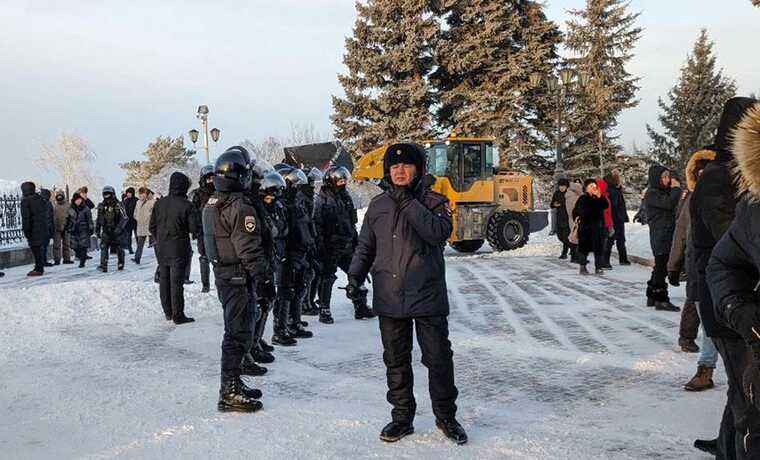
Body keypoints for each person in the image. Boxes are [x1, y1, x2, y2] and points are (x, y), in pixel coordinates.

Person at [350, 142, 467, 445]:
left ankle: (446, 417)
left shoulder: (435, 201)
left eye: (406, 166)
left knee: (438, 359)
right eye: (394, 166)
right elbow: (365, 246)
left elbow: (437, 233)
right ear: (387, 171)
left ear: (418, 169)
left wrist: (405, 200)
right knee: (396, 360)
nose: (399, 170)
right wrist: (355, 277)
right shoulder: (377, 206)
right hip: (389, 296)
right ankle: (402, 418)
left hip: (428, 296)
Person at [692, 97, 757, 458]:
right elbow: (730, 241)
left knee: (739, 388)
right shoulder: (719, 178)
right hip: (725, 301)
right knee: (747, 394)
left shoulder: (731, 176)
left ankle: (725, 446)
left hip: (729, 298)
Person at [203, 147, 273, 413]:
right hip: (237, 276)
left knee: (238, 330)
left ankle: (234, 381)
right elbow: (249, 248)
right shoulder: (239, 206)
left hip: (225, 274)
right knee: (237, 333)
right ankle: (228, 391)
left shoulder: (214, 201)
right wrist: (264, 279)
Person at [667, 149, 715, 353]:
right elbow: (681, 233)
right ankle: (687, 337)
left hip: (720, 259)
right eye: (701, 173)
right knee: (695, 299)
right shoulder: (691, 200)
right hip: (696, 259)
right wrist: (673, 266)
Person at [315, 166, 374, 324]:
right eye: (339, 180)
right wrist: (321, 246)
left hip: (347, 244)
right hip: (330, 246)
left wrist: (355, 241)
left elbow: (350, 221)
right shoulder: (322, 200)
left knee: (356, 274)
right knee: (327, 277)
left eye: (344, 180)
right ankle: (324, 309)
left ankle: (360, 305)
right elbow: (318, 225)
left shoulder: (345, 196)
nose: (342, 183)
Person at [272, 168, 314, 344]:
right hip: (287, 254)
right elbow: (282, 233)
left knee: (299, 287)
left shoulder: (296, 203)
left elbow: (305, 226)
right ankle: (280, 329)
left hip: (299, 252)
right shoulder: (281, 205)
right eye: (293, 183)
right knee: (285, 290)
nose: (297, 187)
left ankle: (294, 322)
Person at [150, 172, 197, 324]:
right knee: (177, 282)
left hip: (162, 247)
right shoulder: (186, 205)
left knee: (164, 279)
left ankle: (168, 311)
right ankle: (178, 315)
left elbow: (152, 226)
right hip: (179, 247)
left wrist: (161, 237)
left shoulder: (159, 203)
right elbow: (193, 228)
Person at [251, 172, 288, 362]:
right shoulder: (256, 210)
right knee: (260, 303)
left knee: (267, 302)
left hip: (271, 257)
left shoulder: (272, 208)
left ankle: (257, 340)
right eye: (267, 197)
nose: (270, 200)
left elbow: (280, 229)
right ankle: (252, 344)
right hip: (259, 262)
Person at [644, 165, 682, 311]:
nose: (667, 180)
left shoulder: (661, 192)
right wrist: (676, 189)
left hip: (665, 233)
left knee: (659, 266)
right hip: (661, 235)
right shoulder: (652, 193)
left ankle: (652, 295)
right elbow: (669, 203)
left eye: (668, 177)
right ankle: (661, 299)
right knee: (662, 267)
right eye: (664, 177)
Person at [572, 179, 608, 275]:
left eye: (594, 186)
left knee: (599, 248)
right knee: (584, 248)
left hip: (599, 227)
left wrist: (600, 197)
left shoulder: (599, 198)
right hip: (586, 228)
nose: (593, 187)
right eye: (591, 186)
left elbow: (606, 205)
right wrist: (578, 218)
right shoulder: (583, 198)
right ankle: (582, 266)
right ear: (586, 188)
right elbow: (576, 212)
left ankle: (599, 267)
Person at [301, 167, 324, 316]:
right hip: (303, 242)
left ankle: (308, 301)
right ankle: (305, 303)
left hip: (310, 239)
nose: (313, 185)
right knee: (308, 273)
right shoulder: (302, 197)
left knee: (315, 271)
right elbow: (304, 222)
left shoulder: (309, 196)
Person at [191, 165, 215, 292]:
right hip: (203, 230)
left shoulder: (219, 192)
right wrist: (195, 229)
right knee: (204, 257)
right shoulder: (198, 194)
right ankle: (205, 285)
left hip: (218, 230)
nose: (210, 181)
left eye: (212, 178)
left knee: (219, 259)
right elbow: (193, 212)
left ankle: (219, 282)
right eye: (208, 179)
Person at [20, 181, 50, 276]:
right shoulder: (40, 199)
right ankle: (39, 267)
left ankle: (38, 269)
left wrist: (26, 231)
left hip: (33, 229)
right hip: (43, 228)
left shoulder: (25, 201)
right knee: (40, 249)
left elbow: (26, 218)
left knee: (35, 249)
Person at [96, 186, 127, 272]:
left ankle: (121, 263)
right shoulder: (101, 205)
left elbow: (124, 217)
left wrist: (119, 228)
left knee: (119, 247)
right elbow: (99, 219)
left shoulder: (119, 204)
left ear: (112, 194)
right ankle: (103, 265)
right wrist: (97, 230)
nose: (107, 196)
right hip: (106, 230)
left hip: (117, 229)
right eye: (105, 194)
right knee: (103, 247)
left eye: (108, 194)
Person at [604, 169, 631, 265]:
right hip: (614, 218)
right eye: (618, 178)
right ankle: (605, 261)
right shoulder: (611, 190)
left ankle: (623, 259)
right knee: (611, 239)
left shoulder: (615, 189)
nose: (619, 180)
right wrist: (619, 217)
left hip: (618, 218)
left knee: (620, 239)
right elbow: (613, 206)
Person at [66, 193, 94, 268]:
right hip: (74, 229)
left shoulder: (86, 208)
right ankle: (79, 256)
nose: (78, 201)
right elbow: (68, 219)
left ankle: (82, 262)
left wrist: (91, 228)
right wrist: (68, 228)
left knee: (83, 247)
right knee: (75, 247)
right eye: (77, 200)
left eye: (79, 200)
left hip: (84, 229)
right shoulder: (70, 209)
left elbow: (89, 219)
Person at [595, 178, 614, 270]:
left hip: (604, 225)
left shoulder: (605, 197)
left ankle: (602, 263)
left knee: (603, 245)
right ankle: (600, 263)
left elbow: (608, 213)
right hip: (598, 225)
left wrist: (610, 225)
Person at [133, 187, 155, 264]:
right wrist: (137, 218)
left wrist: (150, 219)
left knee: (156, 244)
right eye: (140, 194)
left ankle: (161, 259)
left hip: (150, 226)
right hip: (141, 226)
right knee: (139, 245)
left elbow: (155, 214)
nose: (140, 196)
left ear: (146, 194)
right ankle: (137, 258)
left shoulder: (153, 202)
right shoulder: (138, 202)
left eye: (142, 194)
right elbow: (135, 213)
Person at [550, 178, 570, 259]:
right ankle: (572, 247)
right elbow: (551, 204)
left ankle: (564, 253)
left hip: (568, 217)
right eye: (560, 186)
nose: (561, 187)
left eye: (563, 186)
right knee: (560, 236)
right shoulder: (556, 193)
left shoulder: (569, 194)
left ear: (566, 186)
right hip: (559, 217)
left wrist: (562, 204)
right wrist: (554, 204)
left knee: (565, 237)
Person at [52, 190, 73, 264]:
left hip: (66, 227)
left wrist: (69, 225)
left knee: (66, 244)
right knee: (57, 245)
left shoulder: (68, 205)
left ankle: (67, 259)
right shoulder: (54, 206)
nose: (59, 197)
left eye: (61, 196)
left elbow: (72, 216)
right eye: (58, 196)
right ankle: (57, 260)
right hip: (56, 228)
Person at [564, 179, 583, 263]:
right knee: (577, 238)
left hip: (571, 218)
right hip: (577, 219)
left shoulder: (568, 195)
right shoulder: (575, 197)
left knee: (574, 237)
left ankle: (574, 256)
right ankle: (576, 257)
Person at [38, 188, 55, 267]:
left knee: (42, 246)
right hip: (45, 229)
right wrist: (50, 230)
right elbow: (49, 217)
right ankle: (43, 261)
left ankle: (42, 261)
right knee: (44, 246)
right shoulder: (47, 204)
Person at [122, 187, 138, 255]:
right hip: (128, 221)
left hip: (135, 220)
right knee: (129, 236)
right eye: (127, 193)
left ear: (132, 193)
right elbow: (123, 210)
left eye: (129, 193)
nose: (128, 194)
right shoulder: (125, 201)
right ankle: (130, 249)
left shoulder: (136, 200)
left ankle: (139, 248)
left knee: (137, 235)